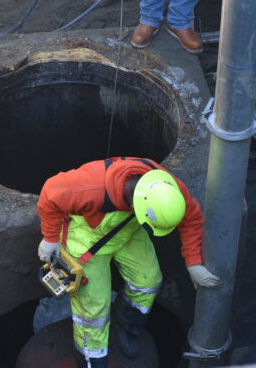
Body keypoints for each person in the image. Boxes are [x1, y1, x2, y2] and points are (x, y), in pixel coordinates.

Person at [37, 157, 220, 367]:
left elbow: (192, 218)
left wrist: (193, 263)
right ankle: (92, 359)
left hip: (128, 230)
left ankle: (126, 327)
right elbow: (50, 194)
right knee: (92, 312)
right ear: (136, 204)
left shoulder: (167, 188)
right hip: (86, 238)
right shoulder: (90, 187)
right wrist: (50, 238)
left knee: (148, 280)